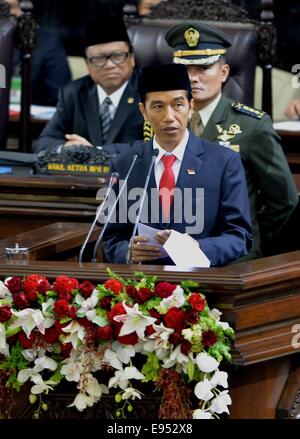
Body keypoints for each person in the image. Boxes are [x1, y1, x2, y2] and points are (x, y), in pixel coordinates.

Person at [165, 21, 299, 260]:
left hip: (233, 258)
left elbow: (283, 203)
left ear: (224, 72)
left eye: (203, 68)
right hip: (172, 253)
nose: (193, 78)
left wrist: (253, 239)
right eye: (185, 69)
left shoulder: (251, 126)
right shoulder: (163, 122)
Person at [103, 63, 252, 267]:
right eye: (157, 107)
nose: (169, 117)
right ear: (143, 111)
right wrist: (127, 252)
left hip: (203, 286)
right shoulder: (125, 164)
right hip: (142, 287)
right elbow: (111, 238)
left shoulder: (224, 162)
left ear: (191, 107)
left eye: (178, 105)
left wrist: (198, 248)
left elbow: (239, 236)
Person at [34, 15, 144, 153]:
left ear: (132, 58)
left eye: (117, 56)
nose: (109, 65)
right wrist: (67, 148)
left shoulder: (150, 92)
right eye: (98, 58)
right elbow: (44, 142)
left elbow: (153, 145)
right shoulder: (73, 93)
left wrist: (95, 152)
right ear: (87, 65)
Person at [7, 0, 71, 106]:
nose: (3, 14)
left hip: (32, 116)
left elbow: (59, 95)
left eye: (9, 7)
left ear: (26, 9)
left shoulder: (47, 43)